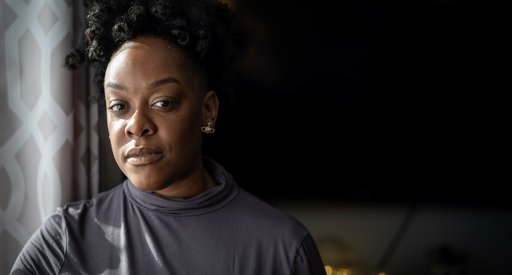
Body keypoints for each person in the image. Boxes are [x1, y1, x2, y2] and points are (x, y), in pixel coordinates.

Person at [11, 0, 326, 274]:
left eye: (162, 102)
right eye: (119, 106)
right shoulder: (64, 241)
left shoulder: (283, 250)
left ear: (207, 110)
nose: (136, 125)